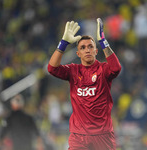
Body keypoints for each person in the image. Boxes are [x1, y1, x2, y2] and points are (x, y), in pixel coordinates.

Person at [48, 18, 122, 150]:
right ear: (78, 53)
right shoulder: (73, 71)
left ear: (96, 51)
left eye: (90, 47)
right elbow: (52, 68)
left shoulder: (104, 70)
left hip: (103, 134)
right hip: (79, 136)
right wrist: (63, 43)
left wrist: (103, 41)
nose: (87, 50)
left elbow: (116, 68)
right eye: (83, 47)